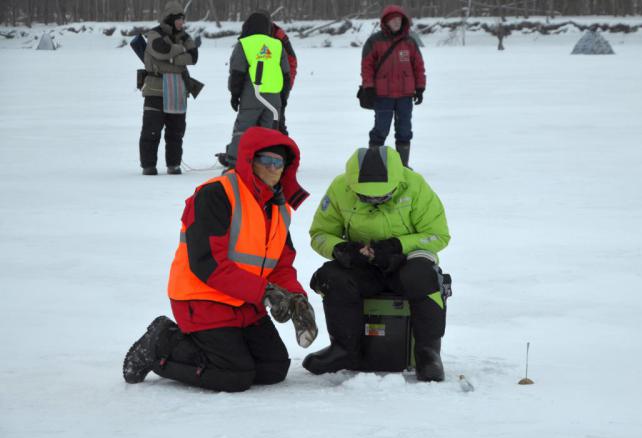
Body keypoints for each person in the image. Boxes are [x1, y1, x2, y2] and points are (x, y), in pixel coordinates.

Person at [123, 127, 317, 392]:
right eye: (267, 161)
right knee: (234, 375)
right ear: (249, 161)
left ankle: (215, 348)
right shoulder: (216, 194)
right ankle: (161, 343)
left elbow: (281, 265)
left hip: (246, 302)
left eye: (279, 163)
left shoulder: (278, 207)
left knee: (273, 368)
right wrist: (267, 293)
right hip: (202, 298)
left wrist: (296, 299)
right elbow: (207, 264)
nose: (274, 169)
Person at [303, 146, 450, 382]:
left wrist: (397, 246)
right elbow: (320, 234)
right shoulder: (339, 188)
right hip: (363, 267)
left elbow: (437, 235)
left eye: (382, 196)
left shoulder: (415, 186)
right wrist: (340, 249)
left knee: (423, 276)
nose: (374, 200)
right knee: (331, 275)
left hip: (404, 265)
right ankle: (344, 350)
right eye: (365, 196)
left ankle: (427, 353)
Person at [219, 11, 291, 168]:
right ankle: (266, 164)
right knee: (270, 133)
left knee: (243, 130)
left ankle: (235, 162)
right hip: (273, 97)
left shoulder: (244, 44)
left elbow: (237, 72)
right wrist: (283, 97)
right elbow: (286, 75)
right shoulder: (277, 45)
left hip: (252, 95)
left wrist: (234, 95)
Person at [359, 5, 426, 167]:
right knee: (380, 130)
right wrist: (368, 87)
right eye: (393, 20)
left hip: (405, 95)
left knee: (404, 131)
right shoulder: (374, 41)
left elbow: (418, 65)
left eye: (399, 20)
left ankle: (403, 166)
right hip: (382, 95)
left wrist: (420, 87)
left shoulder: (410, 42)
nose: (396, 22)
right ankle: (376, 165)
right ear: (386, 22)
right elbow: (366, 65)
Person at [139, 1, 198, 175]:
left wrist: (172, 59)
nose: (182, 23)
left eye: (183, 19)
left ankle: (173, 164)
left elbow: (193, 57)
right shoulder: (154, 34)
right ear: (170, 19)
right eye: (179, 19)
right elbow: (160, 51)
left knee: (176, 131)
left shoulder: (186, 36)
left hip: (178, 90)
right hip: (155, 90)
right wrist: (179, 51)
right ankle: (148, 166)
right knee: (151, 130)